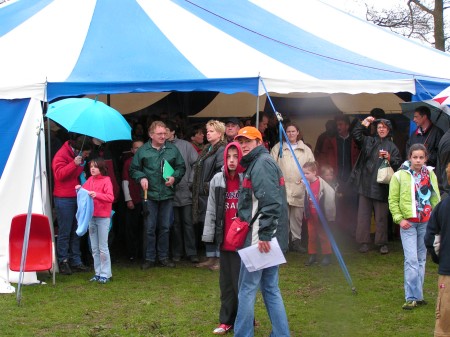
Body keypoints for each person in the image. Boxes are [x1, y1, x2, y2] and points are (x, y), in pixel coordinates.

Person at [233, 126, 290, 337]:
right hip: (268, 237)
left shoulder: (261, 164)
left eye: (248, 141)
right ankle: (281, 334)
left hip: (260, 239)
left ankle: (243, 334)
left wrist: (265, 236)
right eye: (241, 141)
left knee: (247, 290)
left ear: (259, 142)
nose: (243, 145)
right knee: (270, 289)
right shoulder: (259, 162)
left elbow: (271, 203)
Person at [389, 144, 440, 309]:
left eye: (421, 157)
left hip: (425, 223)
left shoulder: (430, 174)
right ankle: (411, 296)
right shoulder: (399, 176)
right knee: (411, 260)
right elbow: (393, 200)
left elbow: (435, 197)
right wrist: (399, 219)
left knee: (421, 260)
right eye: (415, 157)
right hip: (408, 224)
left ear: (426, 158)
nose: (418, 160)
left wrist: (436, 218)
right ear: (409, 157)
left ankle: (418, 296)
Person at [130, 121, 186, 269]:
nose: (163, 136)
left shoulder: (172, 149)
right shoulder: (142, 151)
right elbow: (134, 169)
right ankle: (149, 258)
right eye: (159, 134)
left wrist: (174, 177)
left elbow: (181, 167)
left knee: (165, 227)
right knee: (149, 227)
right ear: (151, 135)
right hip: (149, 195)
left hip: (167, 194)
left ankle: (163, 257)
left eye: (164, 133)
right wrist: (141, 177)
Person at [202, 142, 244, 334]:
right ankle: (226, 320)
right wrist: (210, 235)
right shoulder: (217, 179)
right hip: (225, 241)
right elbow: (211, 209)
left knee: (241, 285)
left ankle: (245, 319)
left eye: (236, 156)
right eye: (229, 157)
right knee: (226, 284)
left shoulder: (247, 179)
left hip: (242, 242)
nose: (232, 161)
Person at [351, 117, 401, 254]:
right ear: (376, 129)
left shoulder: (392, 146)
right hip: (365, 184)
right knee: (363, 216)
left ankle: (382, 243)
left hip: (382, 187)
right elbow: (355, 134)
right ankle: (363, 242)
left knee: (381, 218)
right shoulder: (369, 140)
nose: (381, 129)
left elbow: (399, 164)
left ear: (388, 129)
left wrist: (390, 158)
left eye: (384, 127)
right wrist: (365, 122)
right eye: (379, 127)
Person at [270, 122, 315, 252]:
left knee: (297, 217)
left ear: (298, 132)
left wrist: (306, 178)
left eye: (293, 131)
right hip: (282, 187)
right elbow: (272, 166)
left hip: (299, 187)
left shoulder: (306, 149)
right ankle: (283, 242)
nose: (290, 134)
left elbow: (311, 167)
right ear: (284, 133)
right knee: (282, 217)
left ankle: (296, 241)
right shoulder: (277, 148)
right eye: (288, 131)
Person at [52, 136, 91, 275]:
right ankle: (63, 261)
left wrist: (79, 165)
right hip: (64, 198)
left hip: (76, 196)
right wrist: (74, 164)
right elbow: (59, 175)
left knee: (77, 230)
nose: (87, 156)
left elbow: (75, 175)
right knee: (65, 230)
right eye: (86, 153)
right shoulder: (61, 155)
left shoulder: (76, 156)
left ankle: (75, 260)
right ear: (79, 150)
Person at [192, 120, 227, 270]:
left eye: (211, 131)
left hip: (215, 192)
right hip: (203, 194)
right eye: (207, 131)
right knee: (208, 225)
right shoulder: (207, 149)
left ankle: (219, 258)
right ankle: (210, 256)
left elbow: (221, 170)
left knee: (217, 224)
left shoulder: (222, 149)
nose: (207, 133)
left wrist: (208, 185)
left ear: (220, 133)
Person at [165, 121, 200, 263]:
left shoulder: (186, 145)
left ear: (173, 131)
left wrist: (190, 181)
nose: (164, 133)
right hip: (168, 191)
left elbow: (196, 164)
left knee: (188, 223)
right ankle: (177, 253)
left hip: (185, 190)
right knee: (175, 224)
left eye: (166, 130)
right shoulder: (161, 146)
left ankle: (191, 252)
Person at [319, 115, 360, 237]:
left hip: (351, 178)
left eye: (341, 124)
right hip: (335, 178)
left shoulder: (354, 140)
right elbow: (323, 157)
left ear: (347, 126)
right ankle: (338, 233)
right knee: (335, 206)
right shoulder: (330, 140)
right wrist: (327, 174)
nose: (338, 127)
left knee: (351, 206)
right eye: (337, 125)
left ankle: (351, 231)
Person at [76, 158, 115, 283]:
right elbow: (84, 191)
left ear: (102, 168)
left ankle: (106, 274)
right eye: (91, 166)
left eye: (95, 166)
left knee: (103, 246)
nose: (92, 168)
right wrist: (78, 189)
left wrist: (97, 195)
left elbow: (110, 197)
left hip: (103, 217)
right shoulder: (89, 180)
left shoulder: (106, 180)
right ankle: (98, 272)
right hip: (91, 217)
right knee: (94, 247)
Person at [425, 162, 450, 335]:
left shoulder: (442, 206)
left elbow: (431, 238)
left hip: (447, 271)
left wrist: (438, 257)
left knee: (444, 324)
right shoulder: (443, 206)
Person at [302, 161, 335, 266]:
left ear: (314, 173)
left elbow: (330, 198)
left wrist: (328, 216)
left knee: (323, 235)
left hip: (320, 216)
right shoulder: (307, 184)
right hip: (311, 215)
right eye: (304, 173)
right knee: (311, 236)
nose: (305, 175)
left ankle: (327, 255)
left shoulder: (321, 184)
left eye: (307, 173)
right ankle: (312, 255)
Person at [122, 139, 144, 261]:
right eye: (136, 148)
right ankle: (132, 253)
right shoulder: (128, 163)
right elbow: (125, 181)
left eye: (141, 147)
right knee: (132, 228)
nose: (138, 150)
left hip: (145, 199)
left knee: (143, 228)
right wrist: (128, 199)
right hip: (133, 199)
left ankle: (142, 252)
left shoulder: (147, 161)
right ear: (132, 150)